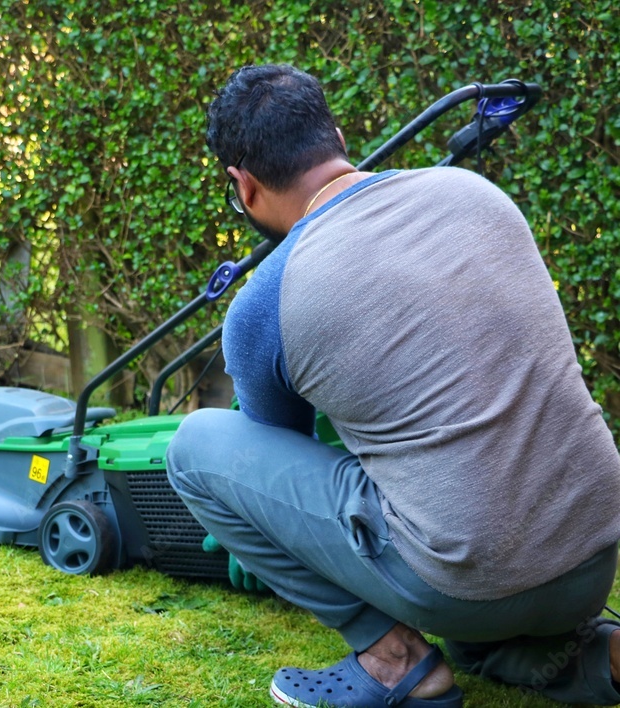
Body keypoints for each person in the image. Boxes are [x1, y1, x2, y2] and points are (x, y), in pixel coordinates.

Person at [165, 63, 620, 707]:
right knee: (472, 602)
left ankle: (393, 661)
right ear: (336, 135)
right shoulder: (473, 194)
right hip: (597, 550)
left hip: (466, 585)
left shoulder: (264, 302)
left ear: (242, 186)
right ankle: (594, 649)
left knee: (195, 446)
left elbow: (268, 449)